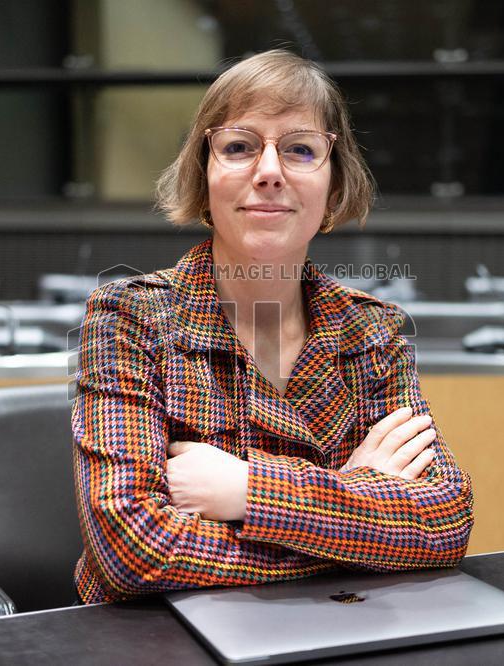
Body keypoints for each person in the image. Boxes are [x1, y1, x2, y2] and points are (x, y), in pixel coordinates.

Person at [71, 49, 473, 605]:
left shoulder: (373, 331)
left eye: (300, 150)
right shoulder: (128, 317)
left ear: (334, 187)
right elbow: (130, 550)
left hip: (332, 634)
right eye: (238, 147)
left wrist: (244, 491)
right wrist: (357, 509)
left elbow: (446, 522)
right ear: (203, 176)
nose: (268, 171)